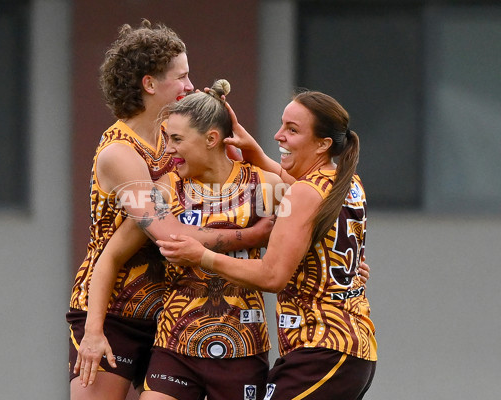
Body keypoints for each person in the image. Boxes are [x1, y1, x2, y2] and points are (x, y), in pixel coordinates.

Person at [66, 21, 270, 400]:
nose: (191, 86)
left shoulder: (173, 137)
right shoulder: (119, 153)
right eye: (182, 76)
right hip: (113, 312)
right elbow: (167, 233)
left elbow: (244, 189)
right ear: (149, 84)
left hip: (166, 313)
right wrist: (252, 236)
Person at [157, 89, 377, 400]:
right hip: (353, 347)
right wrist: (258, 155)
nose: (279, 135)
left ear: (323, 143)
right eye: (282, 125)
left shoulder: (304, 193)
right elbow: (304, 191)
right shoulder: (347, 181)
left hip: (322, 348)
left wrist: (203, 256)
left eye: (292, 129)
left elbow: (272, 276)